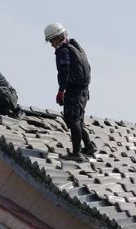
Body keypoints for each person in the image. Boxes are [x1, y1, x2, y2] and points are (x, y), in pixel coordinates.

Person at [43, 23, 97, 159]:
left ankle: (76, 153)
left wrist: (61, 90)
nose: (51, 44)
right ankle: (89, 146)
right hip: (84, 91)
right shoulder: (76, 47)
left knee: (72, 120)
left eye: (52, 41)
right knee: (78, 120)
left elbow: (64, 70)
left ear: (57, 37)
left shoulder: (63, 50)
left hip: (74, 91)